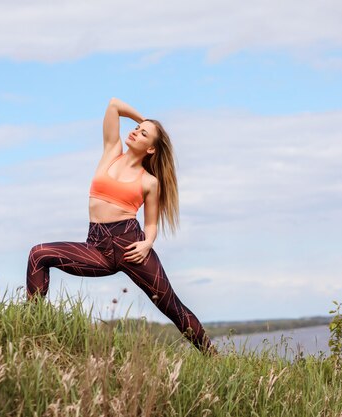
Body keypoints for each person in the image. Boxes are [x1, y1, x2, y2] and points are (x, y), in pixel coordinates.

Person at [26, 98, 213, 353]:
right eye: (137, 129)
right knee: (39, 254)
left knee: (172, 307)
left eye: (143, 134)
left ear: (151, 149)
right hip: (97, 248)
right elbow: (114, 105)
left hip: (131, 246)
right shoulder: (111, 152)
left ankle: (212, 356)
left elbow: (151, 223)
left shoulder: (149, 182)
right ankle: (30, 331)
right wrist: (144, 121)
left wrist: (147, 243)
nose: (136, 132)